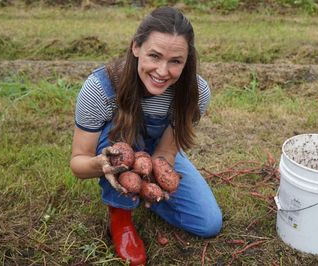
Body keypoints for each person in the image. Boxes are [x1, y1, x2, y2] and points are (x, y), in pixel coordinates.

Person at [70, 6, 222, 265]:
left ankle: (144, 196)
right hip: (117, 151)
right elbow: (78, 163)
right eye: (154, 56)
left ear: (187, 61)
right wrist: (102, 164)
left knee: (208, 223)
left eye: (175, 61)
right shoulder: (99, 88)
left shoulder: (195, 92)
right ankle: (120, 217)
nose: (162, 71)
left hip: (151, 155)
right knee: (118, 145)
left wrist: (151, 181)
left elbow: (166, 152)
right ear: (136, 48)